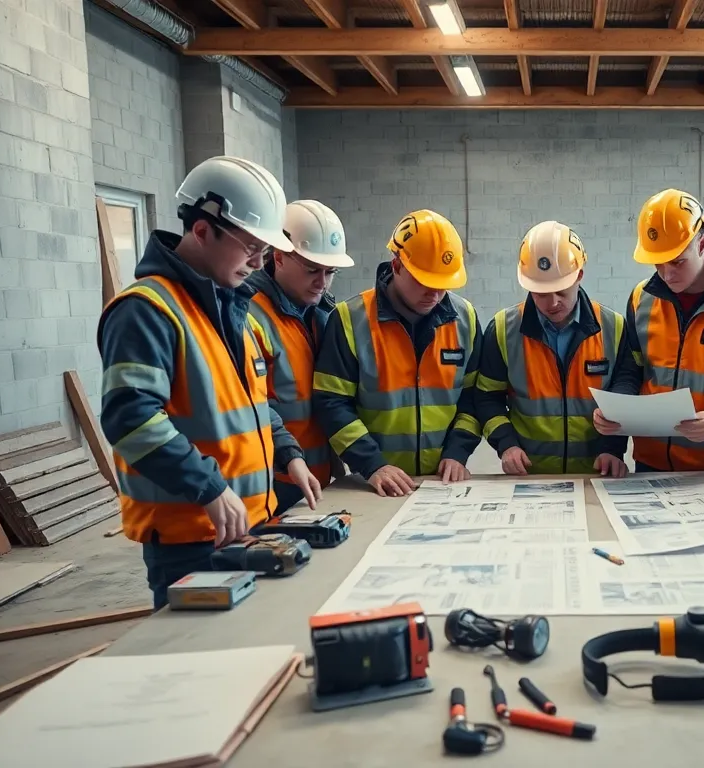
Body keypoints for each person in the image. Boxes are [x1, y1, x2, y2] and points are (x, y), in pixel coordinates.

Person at [97, 156, 321, 609]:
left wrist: (288, 453)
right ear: (202, 231)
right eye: (249, 247)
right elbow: (131, 418)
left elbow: (254, 404)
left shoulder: (235, 310)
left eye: (264, 248)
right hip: (191, 537)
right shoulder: (147, 311)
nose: (259, 261)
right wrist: (209, 486)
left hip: (253, 523)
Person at [594, 188, 704, 472]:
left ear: (701, 244)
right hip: (649, 464)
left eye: (677, 261)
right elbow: (631, 371)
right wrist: (615, 417)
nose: (667, 274)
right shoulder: (641, 299)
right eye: (658, 263)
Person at [312, 209, 482, 498]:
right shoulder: (351, 319)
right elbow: (331, 401)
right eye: (424, 281)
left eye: (442, 285)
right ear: (398, 266)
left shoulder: (464, 318)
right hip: (374, 483)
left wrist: (458, 451)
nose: (434, 294)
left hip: (441, 483)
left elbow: (475, 396)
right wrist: (372, 464)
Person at [476, 220, 635, 477]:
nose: (553, 303)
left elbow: (624, 393)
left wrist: (612, 449)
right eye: (541, 293)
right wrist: (506, 445)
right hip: (529, 475)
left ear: (579, 274)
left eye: (561, 291)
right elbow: (486, 398)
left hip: (596, 473)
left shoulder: (613, 327)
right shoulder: (504, 330)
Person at [246, 199, 355, 514]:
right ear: (279, 258)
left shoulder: (325, 314)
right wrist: (289, 456)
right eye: (312, 270)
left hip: (319, 477)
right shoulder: (249, 315)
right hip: (272, 480)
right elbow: (251, 403)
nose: (321, 283)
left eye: (330, 272)